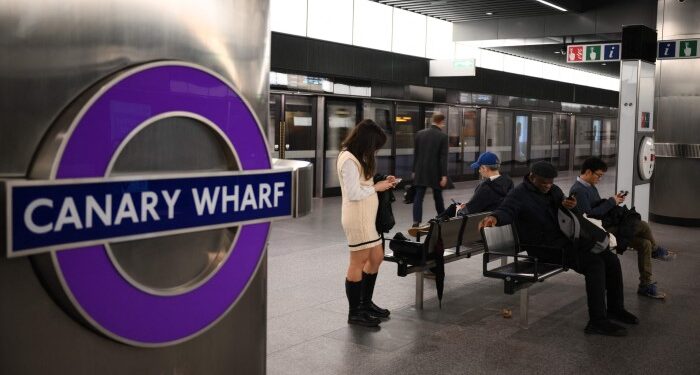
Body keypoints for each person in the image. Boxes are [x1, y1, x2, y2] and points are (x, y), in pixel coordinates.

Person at [480, 161, 639, 336]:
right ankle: (597, 321)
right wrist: (494, 218)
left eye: (550, 182)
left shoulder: (553, 190)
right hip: (542, 248)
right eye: (543, 182)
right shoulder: (519, 194)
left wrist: (570, 203)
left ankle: (616, 309)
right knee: (594, 264)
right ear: (532, 177)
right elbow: (506, 210)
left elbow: (566, 205)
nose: (548, 186)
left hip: (563, 241)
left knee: (610, 259)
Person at [570, 157, 675, 299]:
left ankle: (646, 284)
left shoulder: (589, 187)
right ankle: (656, 251)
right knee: (642, 225)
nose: (600, 179)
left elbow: (597, 207)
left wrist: (612, 201)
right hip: (599, 232)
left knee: (645, 244)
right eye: (599, 175)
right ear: (588, 172)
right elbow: (588, 216)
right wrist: (612, 202)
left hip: (606, 225)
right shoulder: (578, 190)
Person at [337, 119, 397, 327]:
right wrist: (377, 188)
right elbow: (353, 193)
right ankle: (355, 312)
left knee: (376, 256)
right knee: (358, 261)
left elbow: (365, 182)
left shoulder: (359, 157)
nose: (375, 151)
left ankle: (365, 303)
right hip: (357, 218)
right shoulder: (348, 159)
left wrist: (382, 180)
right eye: (375, 146)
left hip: (368, 218)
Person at [407, 151, 513, 237]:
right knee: (460, 206)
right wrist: (467, 205)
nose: (479, 171)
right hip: (499, 226)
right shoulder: (508, 182)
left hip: (479, 230)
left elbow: (466, 213)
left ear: (485, 168)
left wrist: (459, 209)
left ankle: (432, 224)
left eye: (479, 168)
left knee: (454, 207)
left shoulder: (486, 187)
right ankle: (432, 224)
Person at [412, 113, 448, 228]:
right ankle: (442, 218)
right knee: (438, 196)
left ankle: (416, 221)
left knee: (419, 197)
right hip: (435, 172)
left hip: (420, 170)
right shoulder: (443, 137)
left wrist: (414, 170)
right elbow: (443, 157)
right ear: (441, 122)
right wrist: (444, 175)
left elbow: (416, 154)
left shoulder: (419, 134)